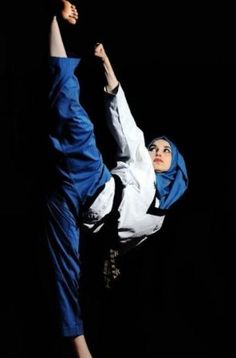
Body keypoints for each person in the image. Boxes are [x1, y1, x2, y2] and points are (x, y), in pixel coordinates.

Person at [45, 1, 188, 357]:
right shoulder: (139, 158)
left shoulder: (158, 222)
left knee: (66, 275)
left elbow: (121, 246)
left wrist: (111, 260)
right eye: (155, 146)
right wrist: (106, 63)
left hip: (75, 213)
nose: (157, 151)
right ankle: (51, 21)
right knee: (75, 120)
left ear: (177, 166)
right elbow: (122, 118)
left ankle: (81, 350)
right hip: (94, 184)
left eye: (165, 151)